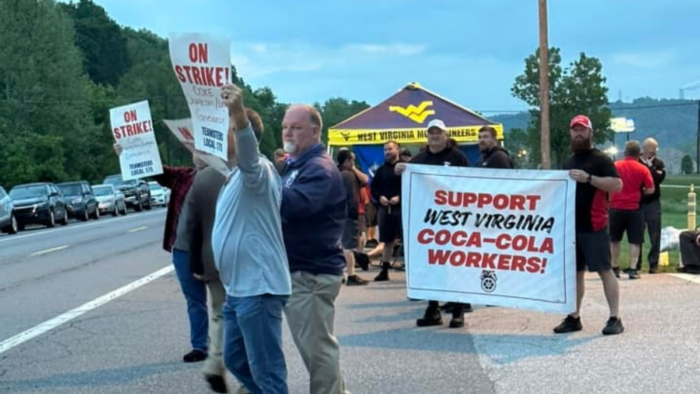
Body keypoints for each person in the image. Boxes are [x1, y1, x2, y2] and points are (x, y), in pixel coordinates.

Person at [212, 84, 292, 394]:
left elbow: (248, 152)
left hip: (258, 288)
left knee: (267, 372)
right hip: (239, 289)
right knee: (235, 359)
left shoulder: (258, 171)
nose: (223, 136)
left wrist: (237, 113)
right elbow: (197, 151)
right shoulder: (233, 176)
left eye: (228, 130)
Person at [186, 110, 263, 394]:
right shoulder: (250, 174)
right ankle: (247, 379)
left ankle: (215, 362)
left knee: (220, 314)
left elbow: (191, 227)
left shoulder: (204, 178)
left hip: (212, 260)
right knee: (249, 324)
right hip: (246, 263)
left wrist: (195, 262)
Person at [280, 104, 350, 394]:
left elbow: (298, 206)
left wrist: (264, 184)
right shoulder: (297, 165)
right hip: (303, 270)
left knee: (318, 352)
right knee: (317, 350)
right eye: (285, 126)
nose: (287, 132)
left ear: (315, 130)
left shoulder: (318, 168)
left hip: (310, 274)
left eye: (295, 127)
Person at [113, 143, 205, 363]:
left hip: (212, 250)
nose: (198, 155)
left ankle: (229, 347)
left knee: (224, 301)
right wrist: (128, 154)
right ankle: (201, 345)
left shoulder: (225, 177)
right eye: (196, 150)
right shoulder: (184, 176)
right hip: (183, 250)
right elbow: (156, 171)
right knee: (195, 300)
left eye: (203, 150)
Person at [395, 119, 471, 329]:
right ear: (427, 136)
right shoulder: (419, 160)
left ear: (446, 135)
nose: (435, 136)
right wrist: (402, 171)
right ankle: (433, 307)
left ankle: (457, 310)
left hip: (452, 219)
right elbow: (408, 186)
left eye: (438, 132)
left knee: (454, 264)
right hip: (427, 221)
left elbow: (470, 185)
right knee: (431, 264)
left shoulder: (458, 157)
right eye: (431, 133)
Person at [554, 114, 624, 336]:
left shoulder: (601, 159)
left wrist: (589, 179)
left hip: (595, 226)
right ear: (570, 133)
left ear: (590, 132)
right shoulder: (568, 161)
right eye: (575, 130)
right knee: (575, 274)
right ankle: (574, 317)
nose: (578, 133)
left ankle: (615, 317)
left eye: (582, 129)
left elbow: (617, 185)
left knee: (605, 271)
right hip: (571, 228)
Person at [609, 140, 655, 280]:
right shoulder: (642, 169)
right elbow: (651, 189)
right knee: (635, 240)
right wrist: (640, 191)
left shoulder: (615, 166)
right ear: (638, 154)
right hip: (634, 208)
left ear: (624, 153)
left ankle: (614, 267)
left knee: (614, 239)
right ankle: (633, 269)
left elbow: (609, 183)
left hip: (615, 207)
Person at [370, 141, 403, 282]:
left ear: (397, 150)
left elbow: (413, 185)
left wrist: (400, 197)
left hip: (402, 208)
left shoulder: (404, 169)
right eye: (385, 150)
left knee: (408, 240)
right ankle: (384, 270)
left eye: (390, 149)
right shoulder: (381, 170)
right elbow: (374, 189)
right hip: (385, 208)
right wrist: (380, 197)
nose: (387, 152)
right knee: (387, 240)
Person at [337, 149, 368, 285]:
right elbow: (352, 198)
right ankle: (351, 274)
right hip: (348, 214)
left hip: (337, 214)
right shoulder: (348, 176)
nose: (354, 163)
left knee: (339, 245)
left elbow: (365, 180)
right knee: (348, 246)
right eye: (352, 160)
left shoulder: (336, 173)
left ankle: (340, 275)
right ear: (347, 161)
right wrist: (354, 213)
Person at [637, 138, 666, 273]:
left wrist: (650, 167)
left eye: (655, 148)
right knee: (637, 234)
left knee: (655, 234)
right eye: (651, 148)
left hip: (653, 203)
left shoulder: (658, 164)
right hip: (639, 203)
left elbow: (657, 179)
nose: (653, 151)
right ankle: (636, 263)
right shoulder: (636, 162)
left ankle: (653, 264)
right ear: (645, 148)